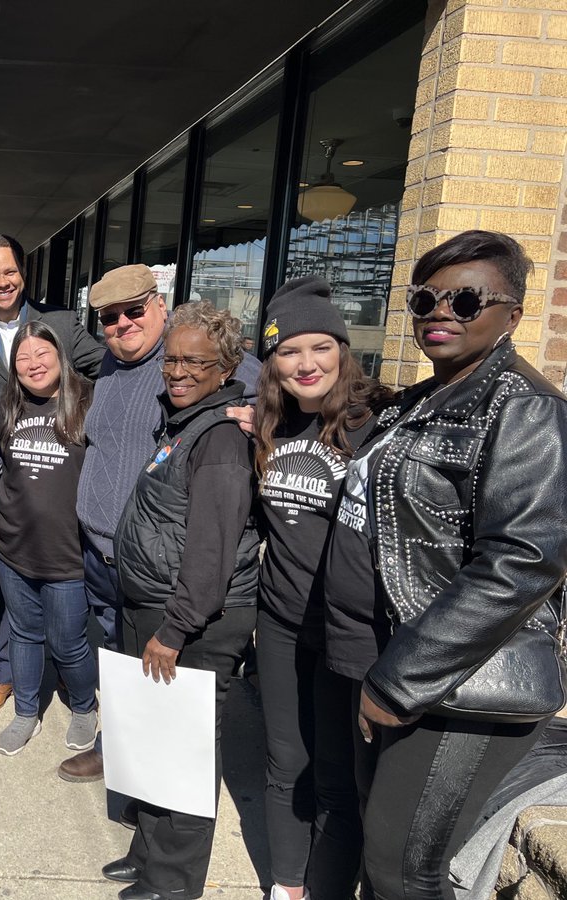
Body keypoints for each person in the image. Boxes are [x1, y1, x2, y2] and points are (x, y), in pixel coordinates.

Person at [342, 231, 567, 899]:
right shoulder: (426, 400)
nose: (440, 312)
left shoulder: (524, 410)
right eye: (425, 299)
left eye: (466, 299)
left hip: (455, 689)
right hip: (395, 664)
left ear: (513, 315)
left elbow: (522, 563)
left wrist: (399, 682)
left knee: (403, 874)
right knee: (381, 860)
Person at [103, 300, 258, 900]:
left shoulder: (219, 438)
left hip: (191, 620)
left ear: (226, 368)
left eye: (196, 362)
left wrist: (175, 627)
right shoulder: (182, 421)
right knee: (153, 743)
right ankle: (149, 854)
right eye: (172, 359)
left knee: (182, 753)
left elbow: (211, 551)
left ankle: (172, 883)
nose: (178, 371)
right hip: (159, 607)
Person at [252, 276, 392, 900]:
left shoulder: (376, 427)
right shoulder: (269, 426)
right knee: (285, 764)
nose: (306, 364)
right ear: (272, 361)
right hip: (280, 624)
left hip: (346, 635)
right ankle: (286, 885)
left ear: (342, 350)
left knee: (335, 777)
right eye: (289, 351)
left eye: (321, 348)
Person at [0, 234, 103, 716]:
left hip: (53, 466)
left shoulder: (58, 321)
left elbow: (106, 367)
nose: (2, 282)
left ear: (23, 273)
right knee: (3, 578)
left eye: (9, 272)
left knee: (62, 577)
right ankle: (5, 672)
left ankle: (63, 662)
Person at [59, 263, 168, 783]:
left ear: (159, 303)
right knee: (117, 655)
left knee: (152, 665)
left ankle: (149, 776)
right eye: (109, 317)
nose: (123, 324)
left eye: (134, 310)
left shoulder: (187, 357)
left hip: (148, 555)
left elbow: (260, 386)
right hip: (98, 549)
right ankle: (116, 748)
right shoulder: (108, 363)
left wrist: (254, 412)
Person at [0, 321, 97, 757]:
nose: (34, 364)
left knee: (69, 641)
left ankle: (85, 706)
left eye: (42, 354)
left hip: (68, 554)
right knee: (24, 633)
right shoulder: (8, 409)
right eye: (23, 357)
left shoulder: (89, 402)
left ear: (60, 357)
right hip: (13, 548)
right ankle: (25, 712)